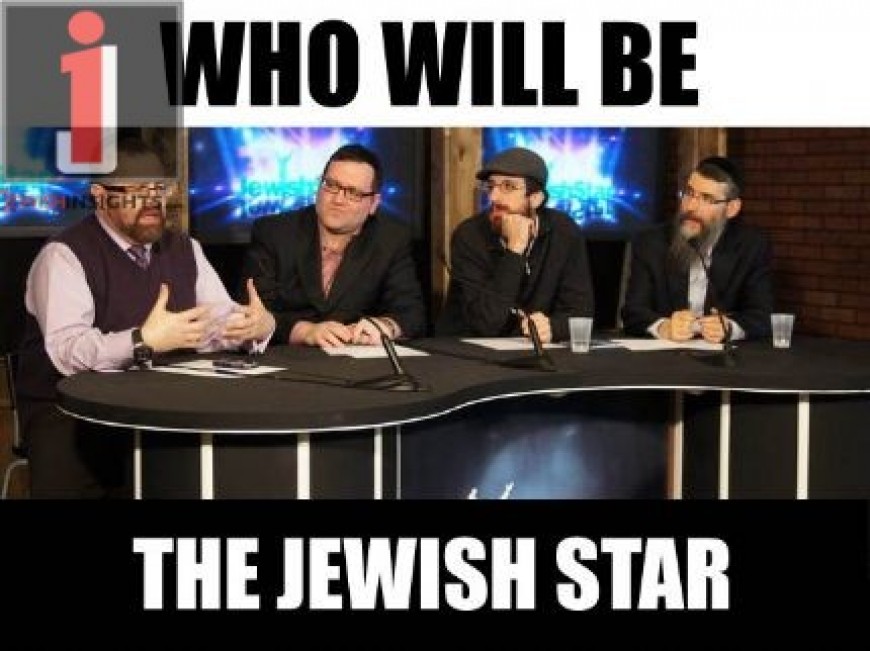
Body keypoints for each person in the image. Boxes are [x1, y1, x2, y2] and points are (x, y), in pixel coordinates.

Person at [16, 138, 275, 498]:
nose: (152, 201)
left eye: (158, 188)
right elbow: (67, 350)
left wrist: (256, 328)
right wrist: (142, 341)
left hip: (160, 404)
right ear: (100, 196)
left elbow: (218, 322)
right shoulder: (64, 255)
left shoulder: (185, 248)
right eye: (137, 191)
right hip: (72, 414)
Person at [241, 144, 426, 348]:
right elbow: (253, 314)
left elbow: (412, 313)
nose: (338, 199)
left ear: (373, 203)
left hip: (356, 358)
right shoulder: (274, 232)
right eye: (331, 185)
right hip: (286, 357)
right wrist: (304, 331)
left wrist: (385, 326)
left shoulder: (390, 240)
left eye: (353, 192)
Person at [437, 147, 594, 343]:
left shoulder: (564, 232)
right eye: (491, 186)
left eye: (508, 187)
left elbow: (581, 313)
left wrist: (552, 328)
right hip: (466, 350)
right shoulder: (470, 235)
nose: (493, 197)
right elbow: (486, 324)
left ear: (535, 198)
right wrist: (514, 251)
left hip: (531, 348)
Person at [621, 156, 773, 342]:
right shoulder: (652, 242)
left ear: (732, 208)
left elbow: (763, 316)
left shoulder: (751, 246)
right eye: (689, 193)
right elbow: (633, 312)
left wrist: (730, 328)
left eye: (707, 199)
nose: (691, 206)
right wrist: (664, 327)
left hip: (721, 358)